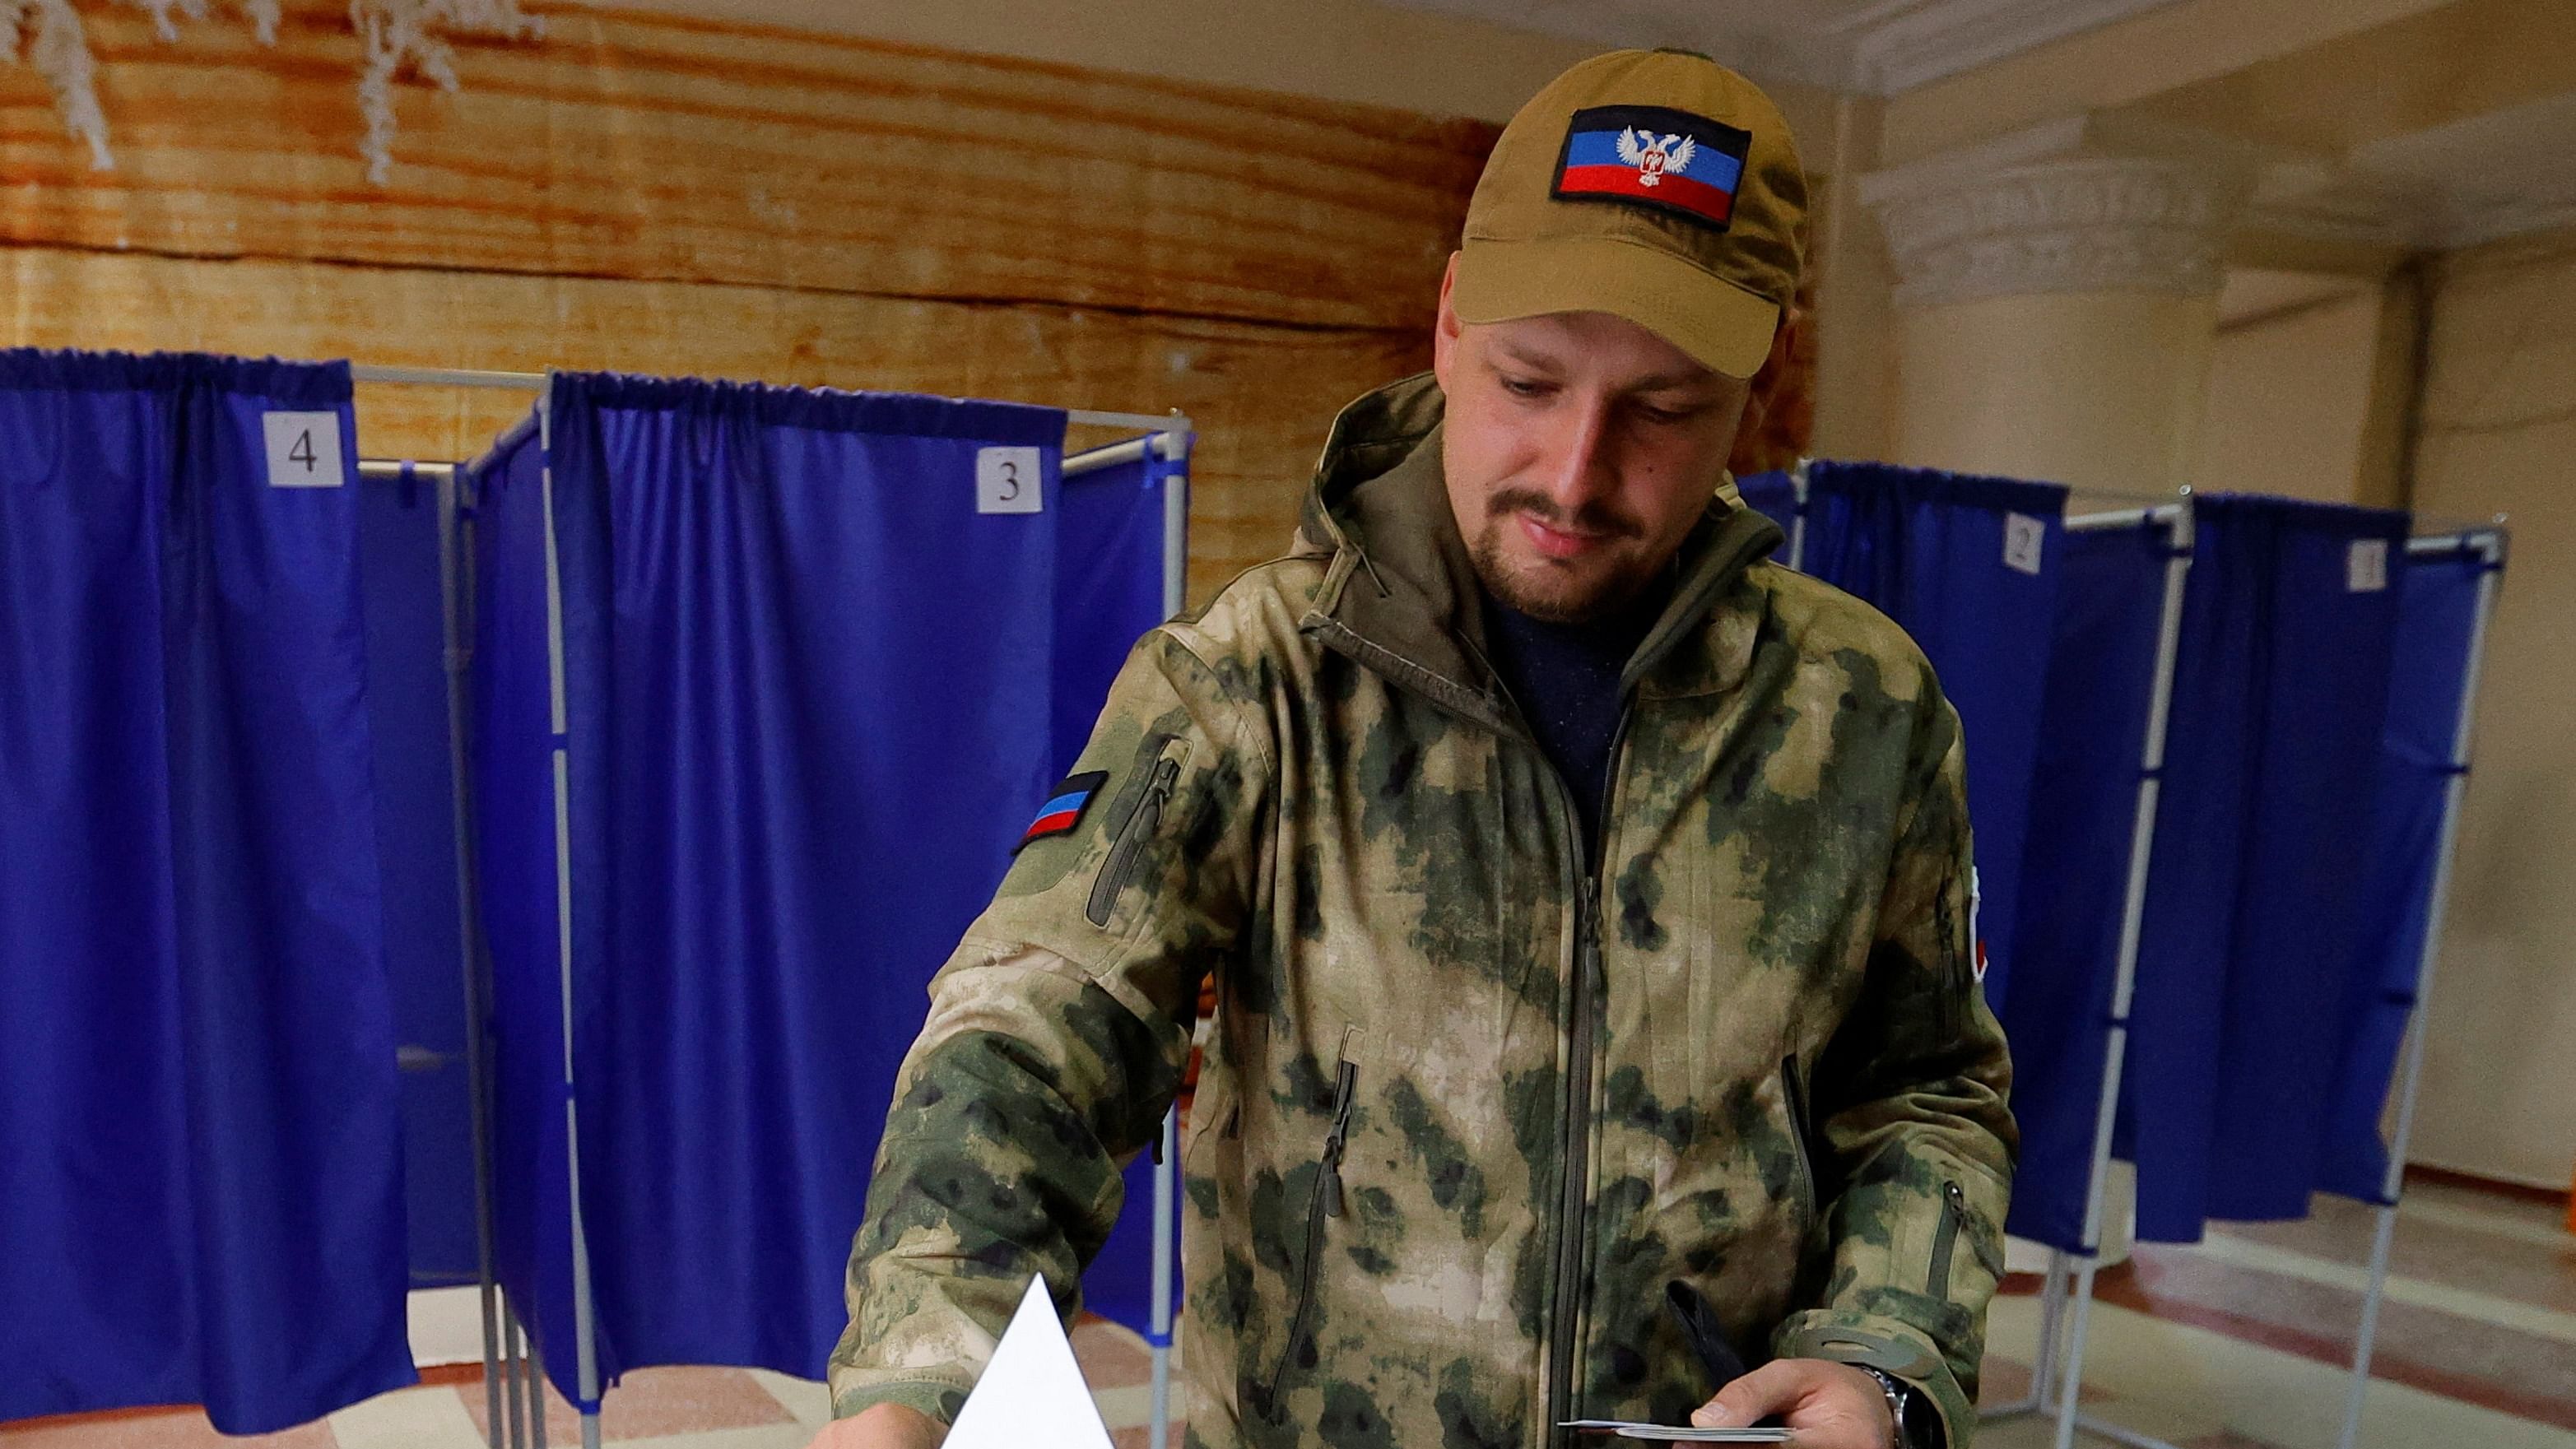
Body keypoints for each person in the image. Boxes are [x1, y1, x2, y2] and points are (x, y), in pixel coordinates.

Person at [813, 47, 2014, 1449]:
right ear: (1449, 320)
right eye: (1528, 378)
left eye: (1662, 410)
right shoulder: (1255, 682)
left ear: (1762, 379)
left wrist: (1883, 1353)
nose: (1572, 471)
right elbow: (1030, 1037)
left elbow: (1927, 1091)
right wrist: (916, 1385)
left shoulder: (1858, 711)